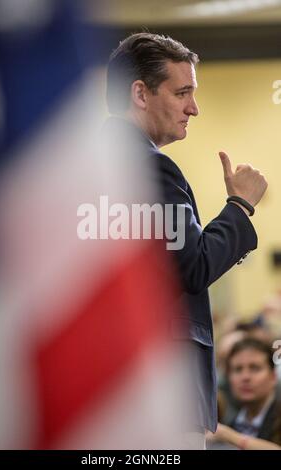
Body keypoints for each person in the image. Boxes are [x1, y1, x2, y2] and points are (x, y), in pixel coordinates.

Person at [105, 32, 268, 448]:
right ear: (140, 93)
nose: (193, 108)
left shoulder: (82, 167)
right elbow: (192, 267)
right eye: (182, 93)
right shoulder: (153, 169)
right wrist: (240, 207)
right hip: (165, 391)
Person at [220, 338, 281, 447]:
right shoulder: (229, 424)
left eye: (254, 368)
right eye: (238, 369)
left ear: (273, 377)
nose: (245, 377)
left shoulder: (227, 433)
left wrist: (234, 438)